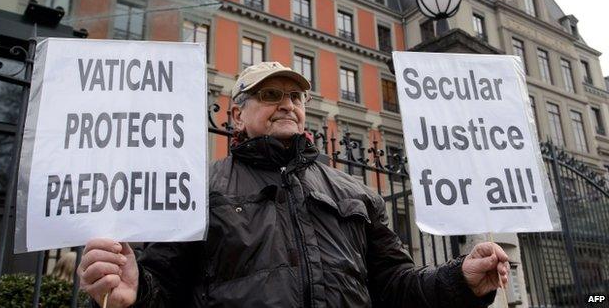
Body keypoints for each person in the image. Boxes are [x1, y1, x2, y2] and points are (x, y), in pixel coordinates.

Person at [78, 62, 510, 307]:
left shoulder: (355, 192)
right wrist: (136, 294)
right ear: (237, 114)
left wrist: (460, 281)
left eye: (295, 97)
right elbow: (163, 288)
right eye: (270, 96)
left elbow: (396, 284)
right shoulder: (197, 187)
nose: (287, 104)